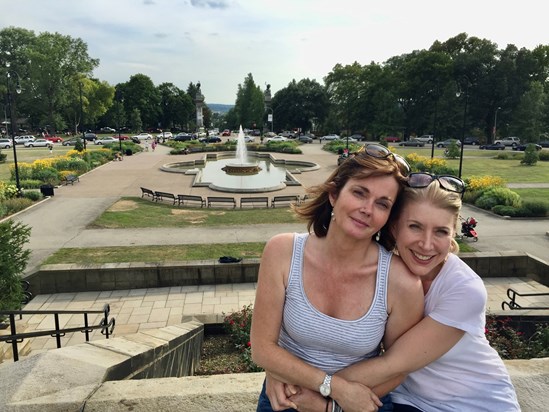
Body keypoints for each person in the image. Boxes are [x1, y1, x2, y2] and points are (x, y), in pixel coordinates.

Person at [280, 173, 520, 412]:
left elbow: (391, 364)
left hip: (473, 403)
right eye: (415, 227)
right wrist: (280, 371)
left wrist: (310, 389)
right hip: (408, 401)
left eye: (441, 232)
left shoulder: (465, 290)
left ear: (454, 232)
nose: (426, 244)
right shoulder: (387, 271)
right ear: (394, 227)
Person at [250, 145, 425, 412]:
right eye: (359, 193)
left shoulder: (400, 282)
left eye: (382, 204)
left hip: (360, 403)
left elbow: (397, 368)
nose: (367, 209)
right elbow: (262, 349)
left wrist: (330, 406)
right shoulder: (282, 252)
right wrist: (333, 388)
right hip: (288, 399)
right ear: (334, 194)